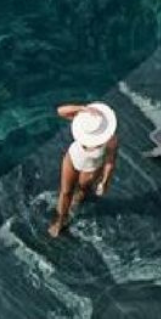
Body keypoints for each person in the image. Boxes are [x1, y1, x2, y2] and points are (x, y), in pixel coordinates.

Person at [48, 101, 118, 237]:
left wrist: (105, 181)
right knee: (65, 191)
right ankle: (61, 220)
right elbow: (60, 111)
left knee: (81, 192)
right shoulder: (84, 124)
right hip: (72, 158)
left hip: (91, 167)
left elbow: (110, 161)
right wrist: (83, 109)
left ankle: (76, 201)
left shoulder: (110, 139)